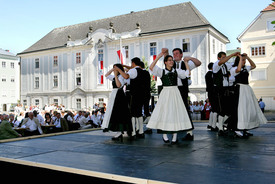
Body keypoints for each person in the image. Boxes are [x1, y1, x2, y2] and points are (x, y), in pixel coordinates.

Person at [146, 49, 192, 144]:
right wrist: (159, 56)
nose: (171, 61)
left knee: (175, 113)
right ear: (165, 62)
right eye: (169, 60)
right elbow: (151, 67)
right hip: (166, 93)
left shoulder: (177, 71)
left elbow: (187, 73)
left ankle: (175, 136)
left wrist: (186, 62)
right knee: (165, 113)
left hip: (175, 92)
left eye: (172, 60)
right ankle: (164, 134)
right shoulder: (161, 71)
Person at [230, 53, 267, 137]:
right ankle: (237, 129)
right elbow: (238, 70)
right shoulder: (233, 69)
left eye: (244, 60)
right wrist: (240, 59)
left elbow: (254, 66)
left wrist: (248, 58)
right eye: (243, 60)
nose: (244, 62)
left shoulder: (246, 68)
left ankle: (245, 128)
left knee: (248, 109)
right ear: (239, 61)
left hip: (247, 89)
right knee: (241, 109)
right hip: (240, 89)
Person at [172, 48, 201, 141]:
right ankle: (175, 131)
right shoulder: (170, 63)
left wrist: (189, 58)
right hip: (173, 89)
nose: (175, 55)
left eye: (177, 53)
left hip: (182, 89)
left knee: (185, 110)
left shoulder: (185, 63)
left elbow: (198, 63)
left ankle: (189, 132)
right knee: (174, 111)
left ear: (181, 55)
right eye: (174, 54)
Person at [116, 57, 145, 139]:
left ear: (133, 63)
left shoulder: (133, 71)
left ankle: (133, 132)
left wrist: (119, 69)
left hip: (134, 94)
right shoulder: (143, 71)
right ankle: (141, 131)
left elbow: (125, 76)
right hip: (142, 94)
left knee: (132, 113)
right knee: (139, 113)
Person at [101, 64, 132, 141]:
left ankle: (120, 131)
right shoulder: (116, 77)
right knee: (114, 113)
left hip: (119, 95)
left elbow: (118, 85)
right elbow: (106, 75)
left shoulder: (121, 77)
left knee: (119, 113)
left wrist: (116, 74)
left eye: (116, 68)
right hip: (114, 95)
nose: (114, 70)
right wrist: (113, 70)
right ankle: (119, 132)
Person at [212, 51, 239, 136]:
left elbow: (233, 65)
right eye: (223, 57)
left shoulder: (225, 65)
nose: (224, 59)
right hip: (219, 89)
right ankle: (220, 128)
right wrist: (231, 55)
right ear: (219, 58)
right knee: (221, 109)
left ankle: (221, 124)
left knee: (229, 109)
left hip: (226, 89)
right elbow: (222, 62)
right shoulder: (216, 64)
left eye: (225, 57)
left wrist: (239, 57)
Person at [205, 62, 218, 131]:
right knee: (215, 108)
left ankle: (210, 124)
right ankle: (213, 125)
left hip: (210, 92)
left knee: (213, 109)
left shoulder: (207, 74)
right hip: (213, 92)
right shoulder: (212, 74)